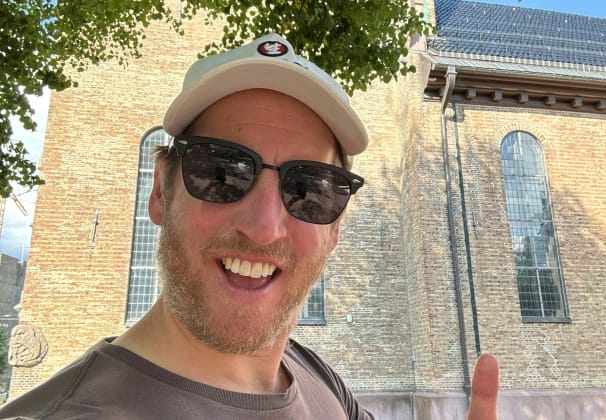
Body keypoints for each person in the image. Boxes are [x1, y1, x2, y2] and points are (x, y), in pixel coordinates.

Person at [0, 33, 499, 419]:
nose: (263, 228)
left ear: (334, 229)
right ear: (160, 192)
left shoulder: (321, 383)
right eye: (221, 172)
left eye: (310, 189)